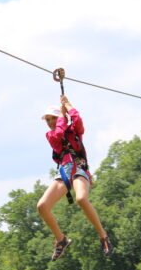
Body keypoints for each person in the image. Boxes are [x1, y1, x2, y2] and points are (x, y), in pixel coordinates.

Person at [37, 94, 113, 260]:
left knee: (81, 198)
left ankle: (103, 236)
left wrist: (68, 106)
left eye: (52, 118)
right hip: (65, 170)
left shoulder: (74, 130)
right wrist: (62, 117)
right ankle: (61, 239)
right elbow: (58, 134)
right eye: (47, 120)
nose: (49, 122)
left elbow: (77, 120)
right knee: (42, 206)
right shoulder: (51, 135)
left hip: (78, 166)